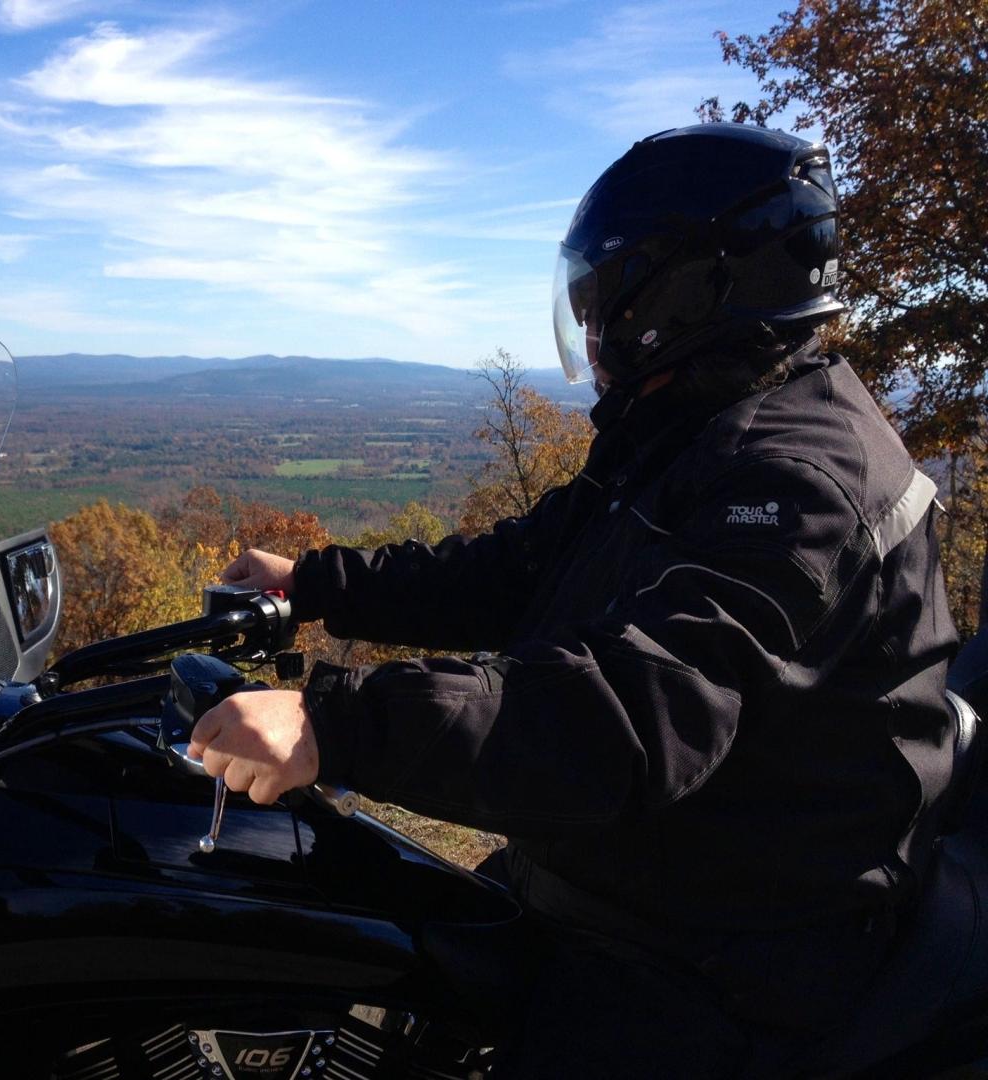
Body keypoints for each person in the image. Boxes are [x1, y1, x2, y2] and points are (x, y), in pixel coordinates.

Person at [187, 123, 959, 1077]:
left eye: (603, 299)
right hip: (625, 874)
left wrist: (335, 724)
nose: (591, 331)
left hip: (741, 936)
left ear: (692, 288)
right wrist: (315, 585)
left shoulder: (801, 484)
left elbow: (633, 715)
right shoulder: (689, 428)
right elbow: (523, 568)